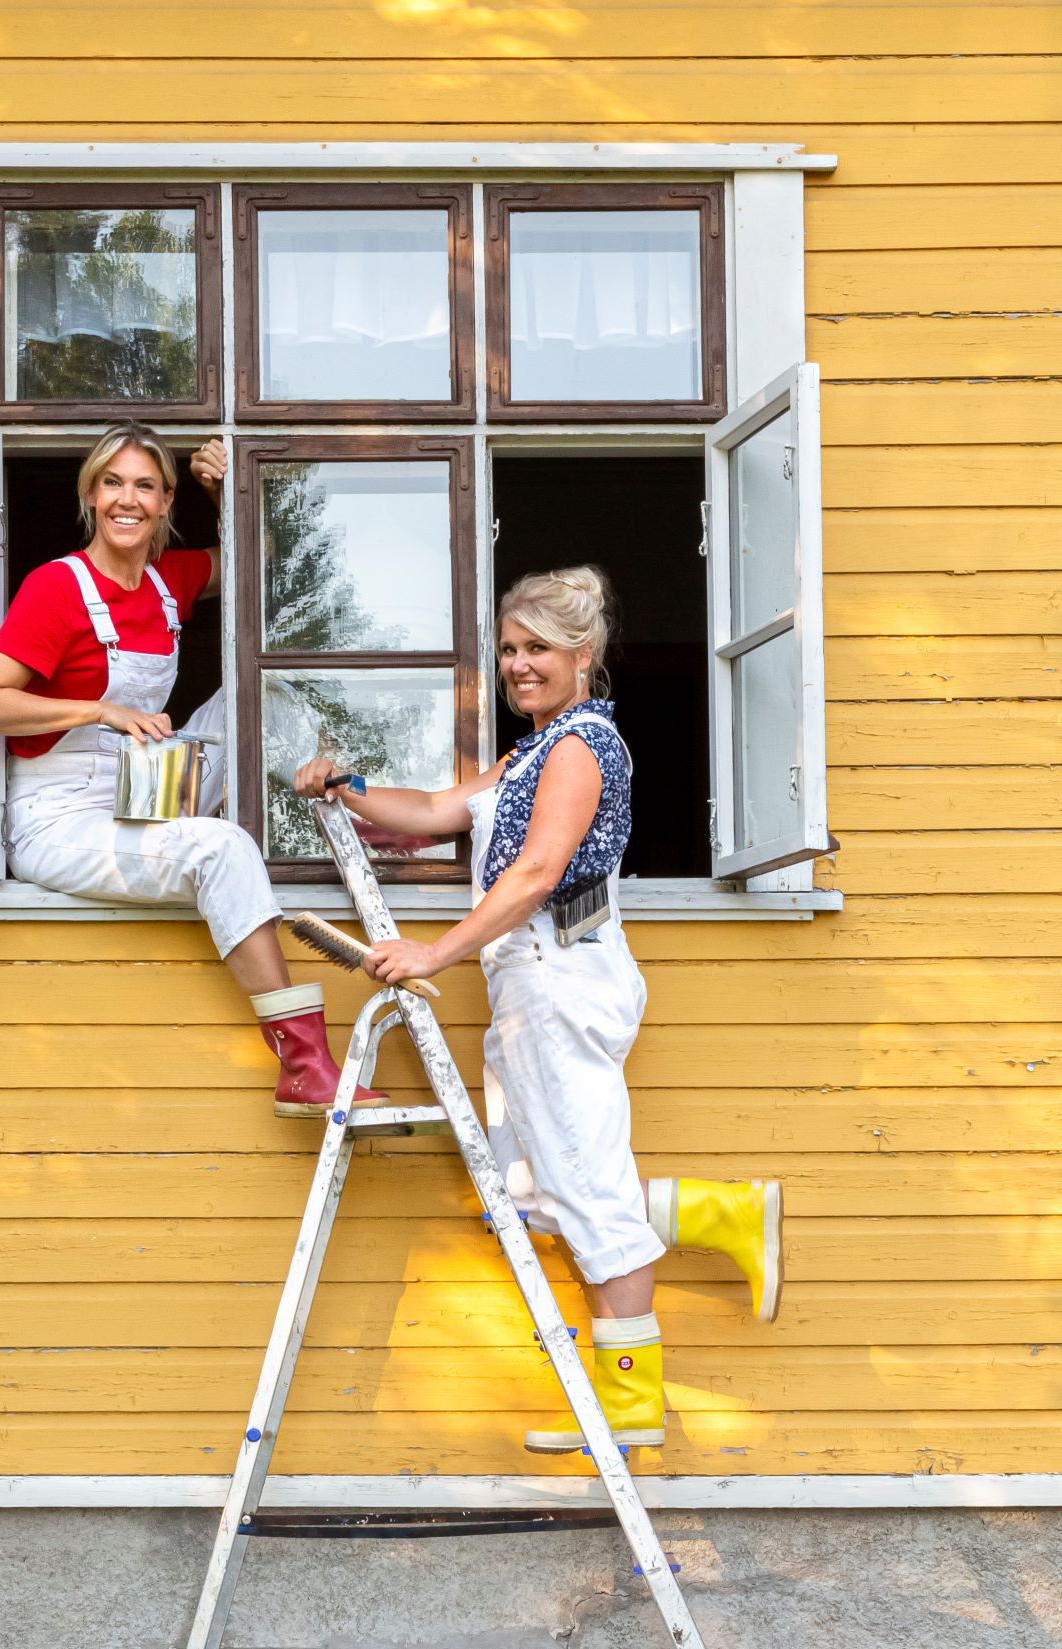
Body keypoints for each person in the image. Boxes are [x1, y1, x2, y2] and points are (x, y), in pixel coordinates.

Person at [295, 566, 782, 1451]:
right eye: (509, 649)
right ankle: (711, 1212)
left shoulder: (580, 746)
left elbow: (536, 873)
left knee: (581, 1190)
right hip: (526, 977)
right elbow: (439, 808)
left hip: (559, 970)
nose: (518, 665)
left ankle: (630, 1410)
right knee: (532, 1188)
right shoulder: (532, 748)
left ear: (581, 654)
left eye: (536, 649)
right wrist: (349, 785)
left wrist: (432, 951)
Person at [0, 421, 384, 1120]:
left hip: (144, 788)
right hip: (57, 817)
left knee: (261, 694)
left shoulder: (168, 582)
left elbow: (265, 557)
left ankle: (351, 809)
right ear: (91, 495)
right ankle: (303, 1063)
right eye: (113, 483)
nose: (128, 499)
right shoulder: (56, 587)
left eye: (146, 486)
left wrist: (222, 490)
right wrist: (99, 710)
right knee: (220, 847)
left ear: (164, 503)